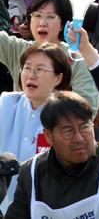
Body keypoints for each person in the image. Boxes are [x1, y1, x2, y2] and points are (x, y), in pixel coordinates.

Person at [3, 91, 99, 219]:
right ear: (48, 136)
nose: (79, 138)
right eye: (68, 131)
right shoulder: (31, 173)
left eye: (85, 128)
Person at [0, 44, 75, 210]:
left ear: (58, 78)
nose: (30, 75)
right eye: (26, 68)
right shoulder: (5, 103)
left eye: (40, 70)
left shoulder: (68, 116)